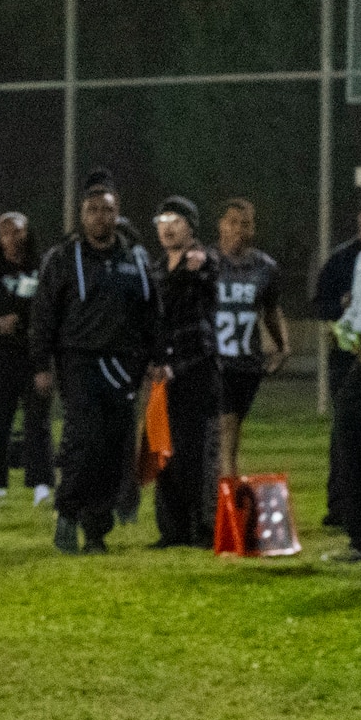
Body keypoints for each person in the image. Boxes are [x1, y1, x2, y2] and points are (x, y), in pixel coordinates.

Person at [31, 170, 158, 555]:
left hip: (123, 365)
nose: (100, 217)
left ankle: (97, 531)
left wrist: (154, 356)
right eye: (92, 210)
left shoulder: (135, 258)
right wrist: (41, 364)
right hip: (79, 363)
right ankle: (68, 513)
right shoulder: (64, 258)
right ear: (82, 215)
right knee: (83, 442)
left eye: (107, 210)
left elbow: (152, 312)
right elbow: (43, 315)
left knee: (114, 449)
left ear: (117, 213)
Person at [149, 197, 218, 548]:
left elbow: (209, 281)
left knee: (196, 453)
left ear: (191, 226)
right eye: (162, 219)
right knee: (165, 451)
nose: (167, 226)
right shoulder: (157, 269)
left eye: (175, 219)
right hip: (163, 375)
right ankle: (172, 530)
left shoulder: (204, 263)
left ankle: (202, 528)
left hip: (196, 372)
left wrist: (198, 267)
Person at [0, 212, 52, 503]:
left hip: (34, 355)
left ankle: (41, 485)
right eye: (5, 233)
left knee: (38, 422)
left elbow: (46, 310)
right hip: (2, 358)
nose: (12, 238)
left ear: (27, 234)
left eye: (17, 232)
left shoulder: (42, 266)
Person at [213, 198, 287, 477]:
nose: (238, 229)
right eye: (232, 222)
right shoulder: (207, 263)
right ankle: (225, 493)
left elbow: (270, 310)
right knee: (226, 428)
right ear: (221, 224)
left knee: (232, 430)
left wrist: (282, 346)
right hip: (215, 361)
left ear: (252, 229)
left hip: (247, 363)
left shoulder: (265, 267)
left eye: (245, 224)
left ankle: (225, 495)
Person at [312, 194, 361, 526]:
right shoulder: (344, 259)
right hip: (347, 358)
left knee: (351, 430)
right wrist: (340, 310)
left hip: (359, 354)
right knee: (344, 432)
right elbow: (321, 304)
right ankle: (340, 506)